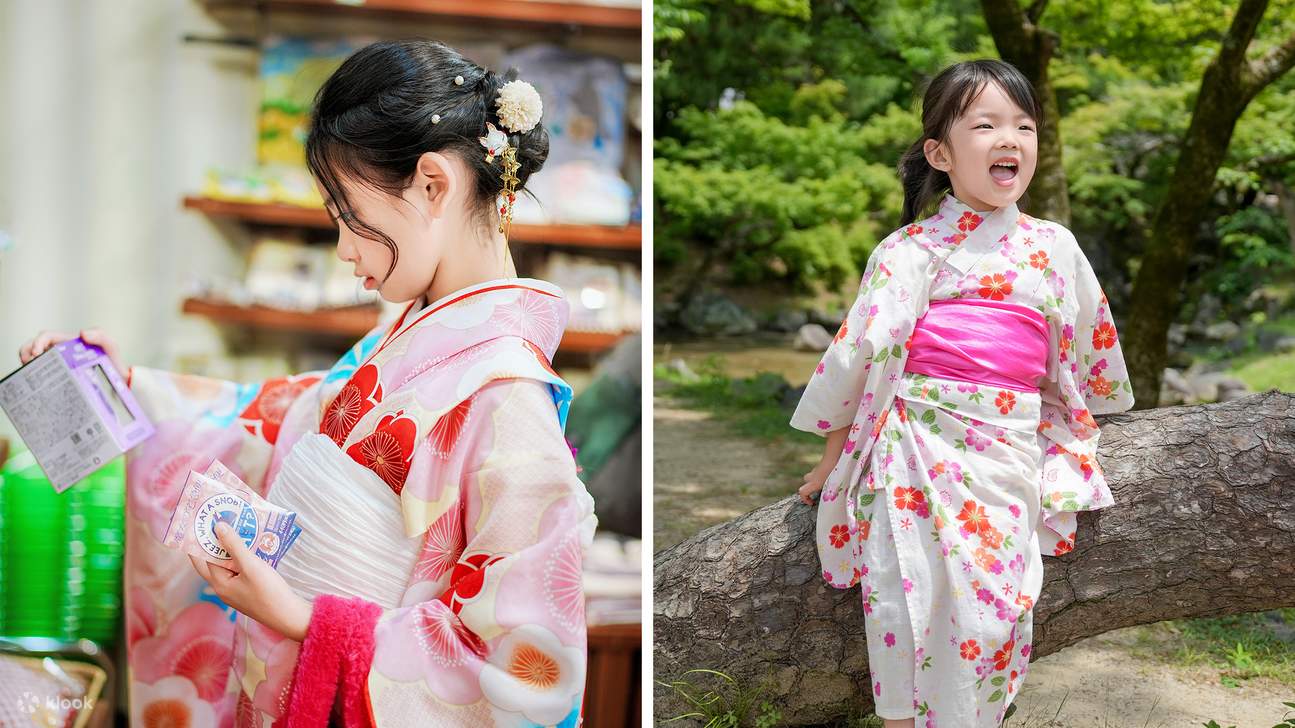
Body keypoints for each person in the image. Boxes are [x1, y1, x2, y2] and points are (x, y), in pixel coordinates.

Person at [21, 39, 597, 728]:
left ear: (433, 184)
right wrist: (118, 390)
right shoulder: (402, 337)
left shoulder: (510, 402)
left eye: (348, 215)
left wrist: (301, 618)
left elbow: (525, 681)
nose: (345, 249)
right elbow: (283, 422)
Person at [791, 59, 1134, 728]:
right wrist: (834, 456)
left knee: (995, 609)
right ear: (939, 153)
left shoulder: (1053, 246)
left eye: (1023, 125)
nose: (1009, 139)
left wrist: (1073, 427)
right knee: (901, 594)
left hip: (1007, 448)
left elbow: (1085, 357)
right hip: (914, 445)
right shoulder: (908, 249)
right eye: (985, 125)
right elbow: (857, 355)